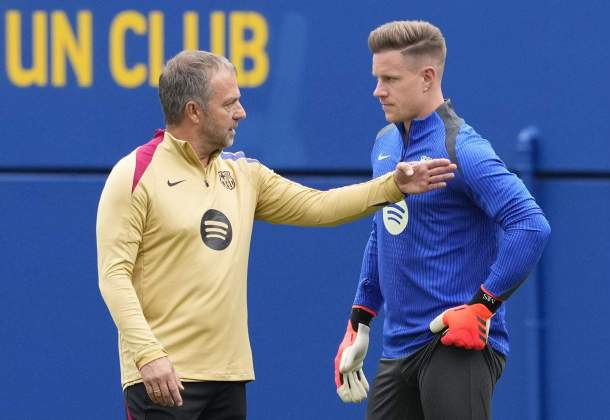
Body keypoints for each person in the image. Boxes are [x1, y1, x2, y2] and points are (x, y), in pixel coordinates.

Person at [96, 50, 456, 420]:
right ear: (194, 112)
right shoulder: (136, 173)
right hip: (163, 380)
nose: (242, 112)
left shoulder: (242, 175)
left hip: (229, 378)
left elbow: (320, 206)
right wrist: (148, 355)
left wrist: (393, 186)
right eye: (230, 103)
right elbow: (114, 276)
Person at [333, 20, 551, 419]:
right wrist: (360, 319)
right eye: (377, 77)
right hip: (397, 350)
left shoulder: (462, 148)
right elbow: (382, 229)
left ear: (427, 77)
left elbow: (531, 225)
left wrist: (481, 308)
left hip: (455, 344)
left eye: (390, 79)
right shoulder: (384, 143)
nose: (377, 90)